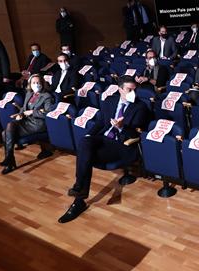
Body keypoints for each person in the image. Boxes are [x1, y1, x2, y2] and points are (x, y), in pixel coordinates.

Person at [58, 76, 150, 223]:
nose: (133, 92)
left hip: (121, 144)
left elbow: (136, 133)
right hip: (103, 139)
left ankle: (79, 198)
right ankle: (79, 196)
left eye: (135, 89)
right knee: (85, 142)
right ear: (120, 90)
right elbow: (101, 123)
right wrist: (89, 135)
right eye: (129, 89)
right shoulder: (110, 101)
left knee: (85, 153)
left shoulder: (140, 107)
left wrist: (122, 127)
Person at [0, 74, 55, 175]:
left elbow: (48, 113)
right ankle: (9, 159)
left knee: (5, 133)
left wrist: (32, 112)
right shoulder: (29, 94)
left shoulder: (47, 96)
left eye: (38, 82)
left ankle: (9, 161)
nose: (36, 84)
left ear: (42, 83)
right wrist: (20, 114)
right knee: (7, 129)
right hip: (26, 121)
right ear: (30, 84)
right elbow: (23, 108)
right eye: (34, 83)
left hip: (37, 123)